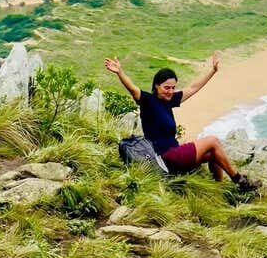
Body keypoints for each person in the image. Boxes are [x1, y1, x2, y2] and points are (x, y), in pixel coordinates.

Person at [104, 54, 256, 190]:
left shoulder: (169, 100)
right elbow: (133, 89)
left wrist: (213, 71)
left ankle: (219, 188)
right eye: (166, 88)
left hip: (175, 155)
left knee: (213, 154)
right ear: (157, 86)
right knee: (213, 141)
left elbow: (193, 87)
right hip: (165, 157)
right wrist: (120, 72)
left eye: (172, 88)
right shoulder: (148, 101)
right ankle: (239, 179)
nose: (170, 91)